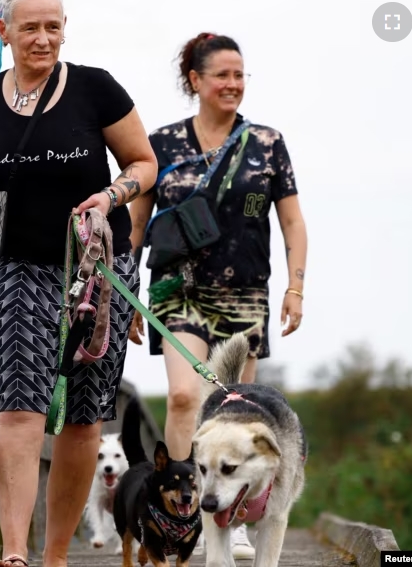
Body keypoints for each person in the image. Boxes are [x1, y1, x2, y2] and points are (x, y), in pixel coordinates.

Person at [0, 0, 158, 566]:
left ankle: (56, 555)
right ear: (5, 31)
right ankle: (15, 554)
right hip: (17, 267)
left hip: (95, 270)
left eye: (54, 27)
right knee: (17, 409)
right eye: (32, 28)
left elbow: (144, 163)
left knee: (84, 418)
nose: (44, 38)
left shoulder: (96, 88)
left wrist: (111, 195)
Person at [127, 31, 309, 559]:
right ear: (195, 81)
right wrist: (127, 292)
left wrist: (296, 286)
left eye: (240, 75)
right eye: (222, 75)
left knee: (238, 412)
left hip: (245, 291)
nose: (233, 84)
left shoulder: (268, 143)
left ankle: (241, 512)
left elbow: (293, 221)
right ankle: (184, 512)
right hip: (175, 289)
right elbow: (138, 222)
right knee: (187, 397)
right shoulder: (161, 144)